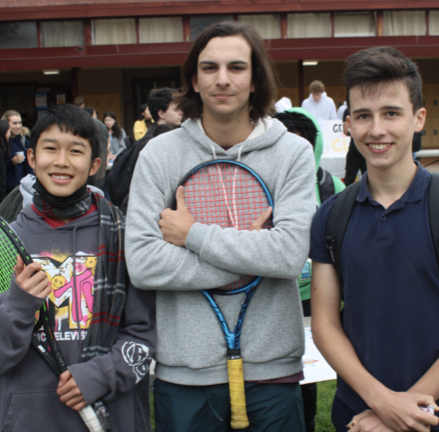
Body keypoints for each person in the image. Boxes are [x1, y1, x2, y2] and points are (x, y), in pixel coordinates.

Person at [126, 21, 315, 432]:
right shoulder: (158, 154)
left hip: (273, 367)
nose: (223, 79)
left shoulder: (293, 153)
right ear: (194, 80)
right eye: (210, 68)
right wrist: (254, 254)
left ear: (255, 79)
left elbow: (289, 256)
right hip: (184, 370)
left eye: (236, 67)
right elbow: (143, 264)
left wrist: (192, 235)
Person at [311, 46, 439, 432]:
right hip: (359, 415)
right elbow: (325, 326)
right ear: (348, 124)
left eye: (391, 113)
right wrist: (383, 403)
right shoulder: (331, 215)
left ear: (418, 119)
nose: (376, 129)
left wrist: (400, 412)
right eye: (363, 115)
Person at [0, 104, 156, 431]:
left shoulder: (124, 236)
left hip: (115, 413)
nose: (62, 161)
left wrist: (100, 375)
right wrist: (19, 304)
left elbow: (146, 333)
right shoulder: (3, 242)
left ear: (94, 164)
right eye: (50, 148)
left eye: (75, 151)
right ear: (32, 158)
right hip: (30, 418)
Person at [272, 107, 345, 432]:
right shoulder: (258, 184)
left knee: (309, 367)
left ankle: (308, 422)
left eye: (301, 144)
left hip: (315, 296)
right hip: (272, 292)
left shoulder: (332, 187)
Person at [1, 110, 34, 192]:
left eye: (20, 123)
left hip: (23, 186)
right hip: (7, 188)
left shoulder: (23, 140)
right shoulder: (3, 141)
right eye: (14, 123)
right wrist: (11, 162)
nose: (18, 126)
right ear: (6, 124)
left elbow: (28, 165)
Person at [81, 106, 109, 189]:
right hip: (99, 168)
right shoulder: (101, 125)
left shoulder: (79, 124)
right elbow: (105, 146)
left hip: (84, 168)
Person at [342, 108, 367, 186]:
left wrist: (352, 135)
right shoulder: (366, 108)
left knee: (349, 179)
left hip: (355, 145)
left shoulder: (348, 110)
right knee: (368, 178)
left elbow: (345, 131)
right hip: (366, 145)